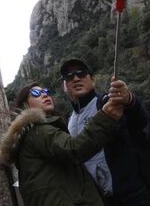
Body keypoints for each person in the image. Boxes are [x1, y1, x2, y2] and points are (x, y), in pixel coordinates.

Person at [0, 82, 123, 206]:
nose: (44, 95)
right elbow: (74, 149)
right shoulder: (38, 131)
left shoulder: (29, 134)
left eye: (46, 92)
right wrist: (106, 117)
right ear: (25, 105)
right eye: (36, 93)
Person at [60, 58, 150, 205]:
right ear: (65, 86)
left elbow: (139, 123)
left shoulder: (106, 103)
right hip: (102, 200)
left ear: (92, 80)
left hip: (132, 194)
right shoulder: (70, 121)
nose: (76, 78)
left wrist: (129, 100)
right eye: (69, 77)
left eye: (81, 73)